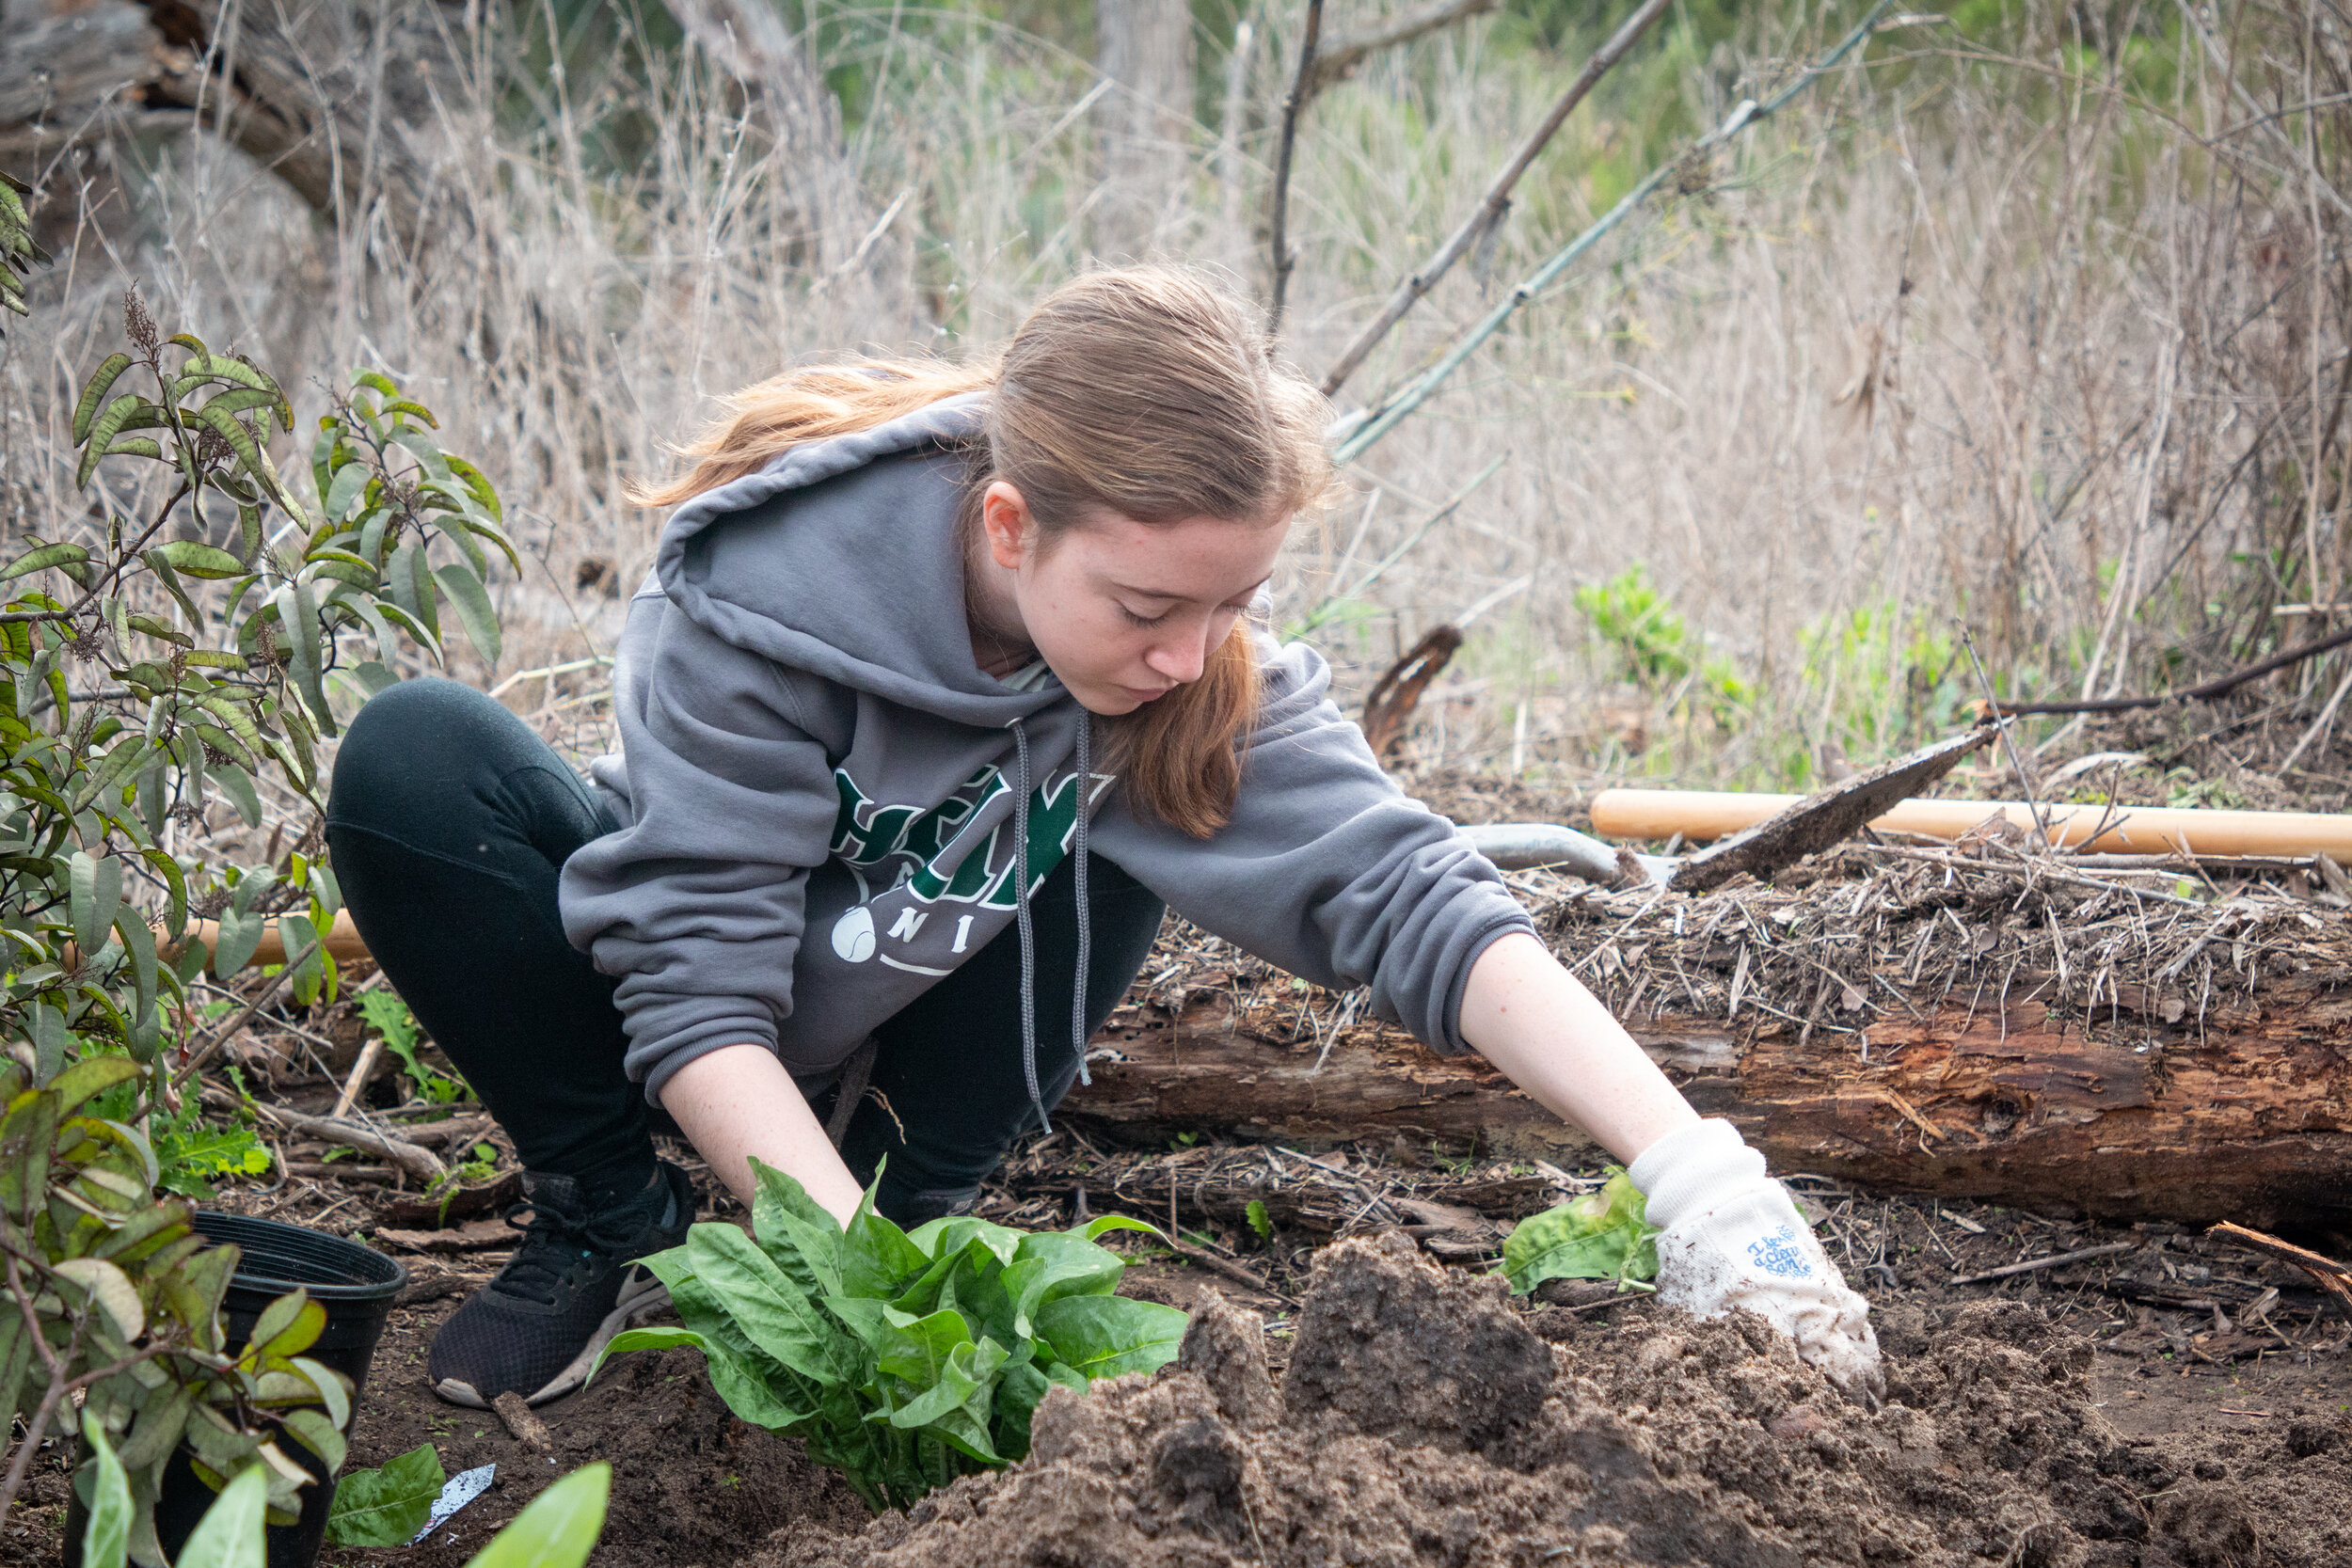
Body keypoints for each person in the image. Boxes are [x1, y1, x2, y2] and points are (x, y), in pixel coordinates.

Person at [326, 266, 1881, 1414]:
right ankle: (615, 1218)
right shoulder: (755, 607)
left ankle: (908, 1204)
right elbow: (695, 992)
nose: (1195, 652)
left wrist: (1699, 1176)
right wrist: (872, 1303)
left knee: (1139, 811)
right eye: (1151, 607)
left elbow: (1404, 891)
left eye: (1235, 605)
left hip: (898, 1035)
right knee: (414, 759)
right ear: (1012, 528)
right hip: (712, 1021)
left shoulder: (1172, 660)